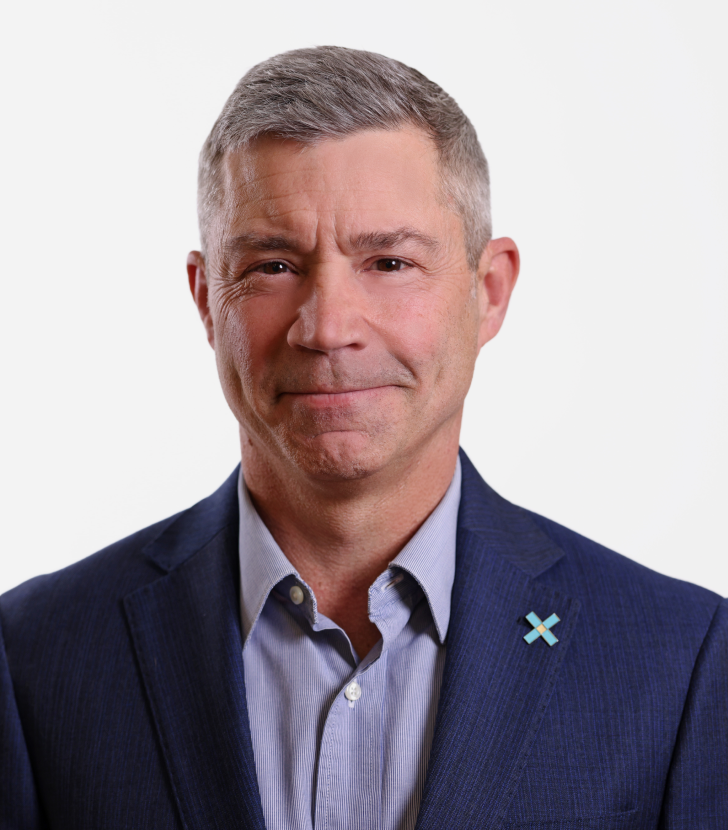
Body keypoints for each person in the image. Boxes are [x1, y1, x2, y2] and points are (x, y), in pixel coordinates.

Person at [1, 45, 726, 830]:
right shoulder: (34, 657)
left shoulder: (680, 662)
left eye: (389, 261)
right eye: (274, 265)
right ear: (208, 299)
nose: (329, 328)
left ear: (489, 292)